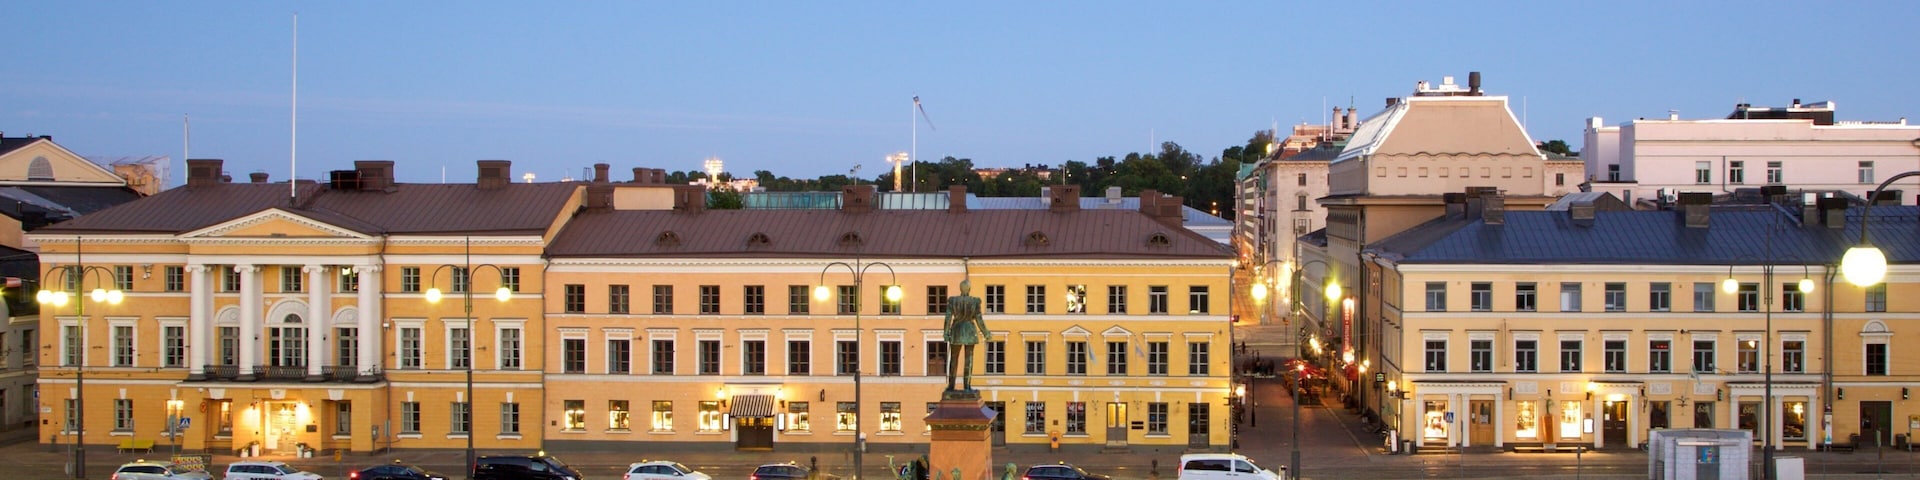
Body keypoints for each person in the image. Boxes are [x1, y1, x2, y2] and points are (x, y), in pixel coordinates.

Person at [945, 279, 987, 392]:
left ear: (960, 289)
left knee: (953, 359)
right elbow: (979, 318)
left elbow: (948, 318)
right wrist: (986, 332)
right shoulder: (974, 301)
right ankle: (967, 386)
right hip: (969, 329)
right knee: (969, 359)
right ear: (969, 289)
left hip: (956, 330)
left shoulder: (953, 301)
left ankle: (951, 386)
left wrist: (945, 332)